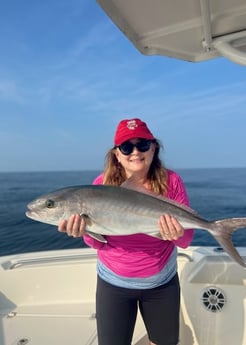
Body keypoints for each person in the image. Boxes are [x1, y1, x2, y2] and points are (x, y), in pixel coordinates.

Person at [58, 118, 194, 345]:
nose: (135, 152)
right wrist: (84, 232)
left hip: (161, 283)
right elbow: (100, 243)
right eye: (126, 147)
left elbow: (186, 241)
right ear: (116, 154)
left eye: (142, 145)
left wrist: (177, 233)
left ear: (153, 148)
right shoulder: (100, 185)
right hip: (114, 284)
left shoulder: (172, 181)